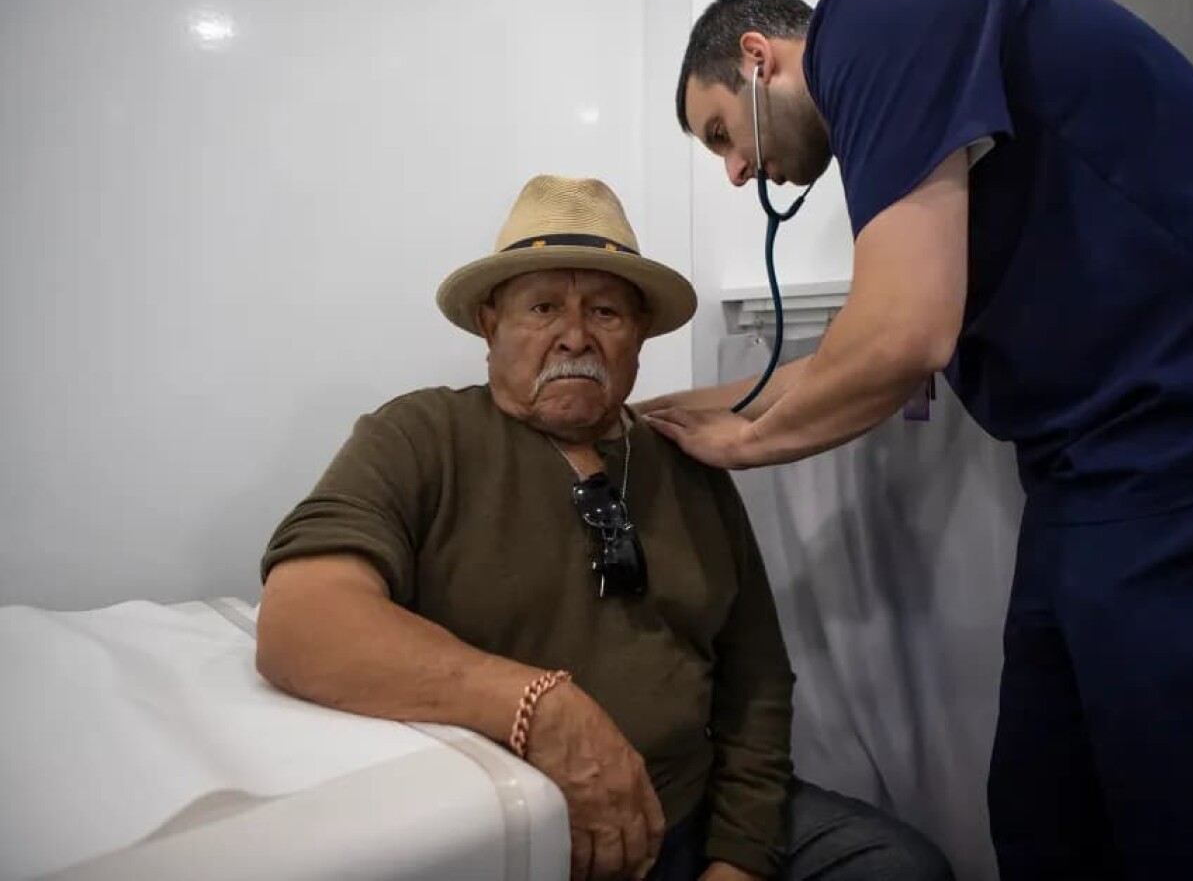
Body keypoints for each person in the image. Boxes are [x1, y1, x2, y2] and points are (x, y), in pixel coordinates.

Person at [647, 0, 1193, 881]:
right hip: (1098, 474)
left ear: (760, 56)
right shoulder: (908, 120)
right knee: (1046, 814)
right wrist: (666, 411)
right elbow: (857, 344)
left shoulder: (877, 12)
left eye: (723, 133)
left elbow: (900, 339)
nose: (735, 174)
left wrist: (745, 439)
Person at [254, 174, 953, 881]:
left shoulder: (688, 461)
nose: (574, 336)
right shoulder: (420, 435)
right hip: (521, 843)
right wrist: (541, 706)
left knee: (902, 867)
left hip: (695, 815)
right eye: (543, 307)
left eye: (606, 311)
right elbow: (301, 620)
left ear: (640, 335)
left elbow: (758, 682)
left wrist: (738, 857)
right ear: (491, 322)